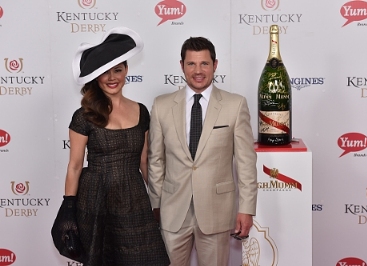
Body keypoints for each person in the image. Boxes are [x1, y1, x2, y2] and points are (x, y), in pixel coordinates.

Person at [60, 27, 170, 266]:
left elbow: (144, 161)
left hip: (133, 198)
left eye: (117, 70)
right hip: (95, 199)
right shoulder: (84, 115)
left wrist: (160, 199)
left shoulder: (141, 111)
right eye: (104, 72)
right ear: (96, 77)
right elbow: (75, 166)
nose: (112, 77)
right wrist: (69, 207)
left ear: (127, 70)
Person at [148, 36, 258, 266]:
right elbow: (156, 161)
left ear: (215, 65)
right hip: (172, 211)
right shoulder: (161, 105)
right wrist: (155, 205)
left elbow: (246, 162)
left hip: (216, 211)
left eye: (204, 64)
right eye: (191, 64)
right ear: (182, 66)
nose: (198, 71)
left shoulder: (235, 105)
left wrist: (247, 208)